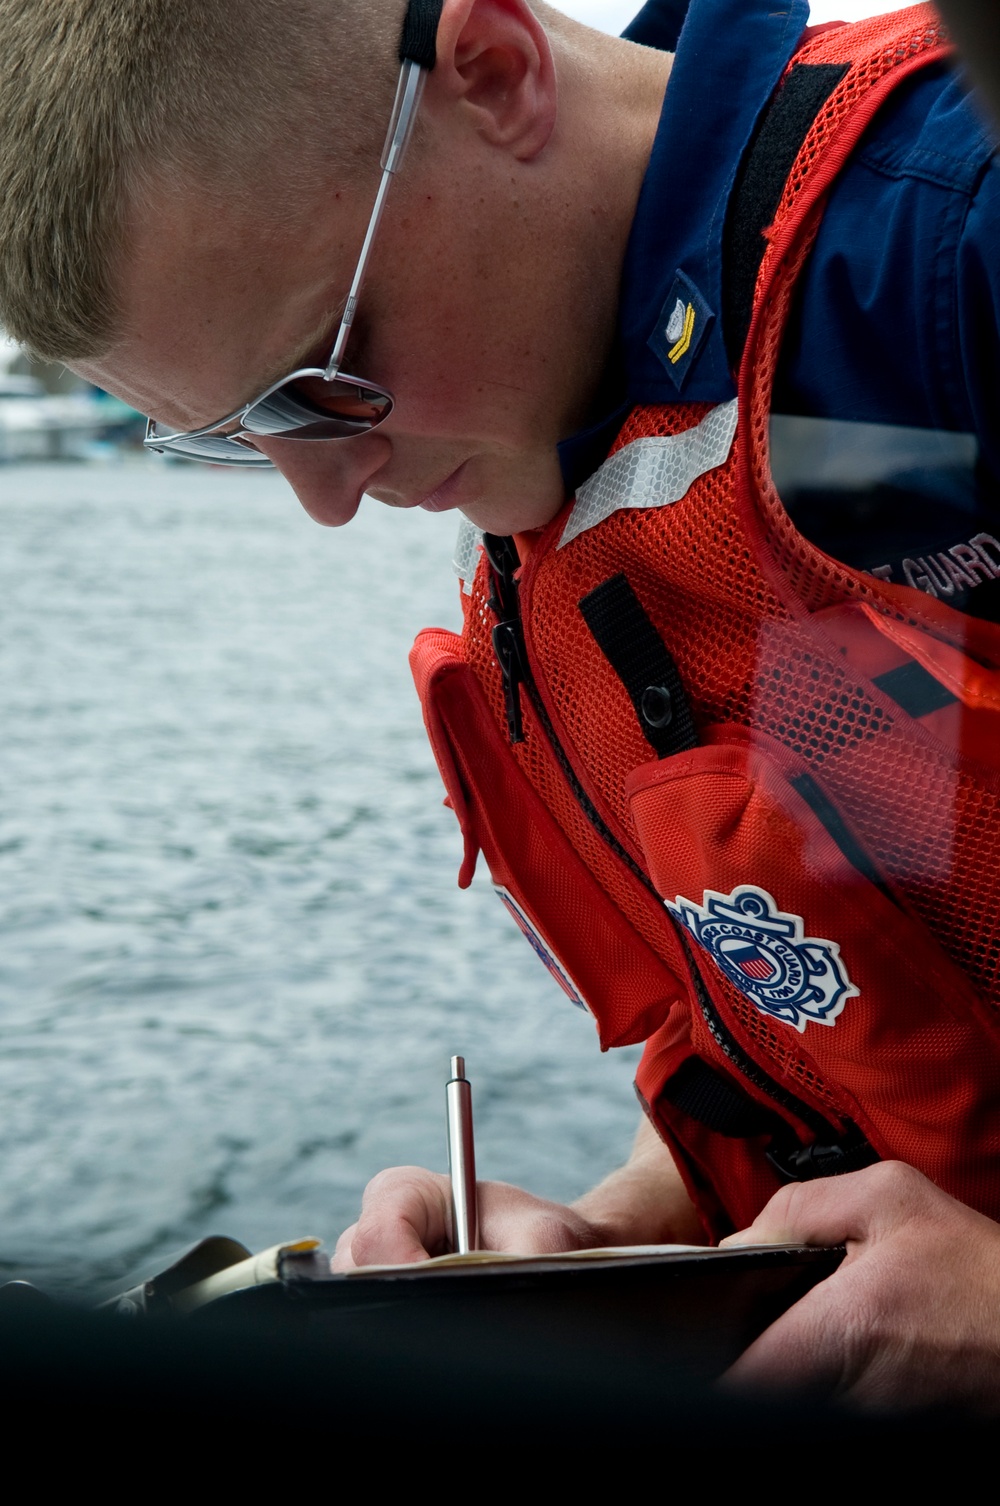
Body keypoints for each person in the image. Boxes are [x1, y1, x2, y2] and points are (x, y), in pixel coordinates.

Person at [3, 0, 1000, 1412]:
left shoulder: (950, 247)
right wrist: (603, 1256)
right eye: (235, 438)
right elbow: (864, 1048)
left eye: (322, 387)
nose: (327, 499)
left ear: (493, 69)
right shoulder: (556, 521)